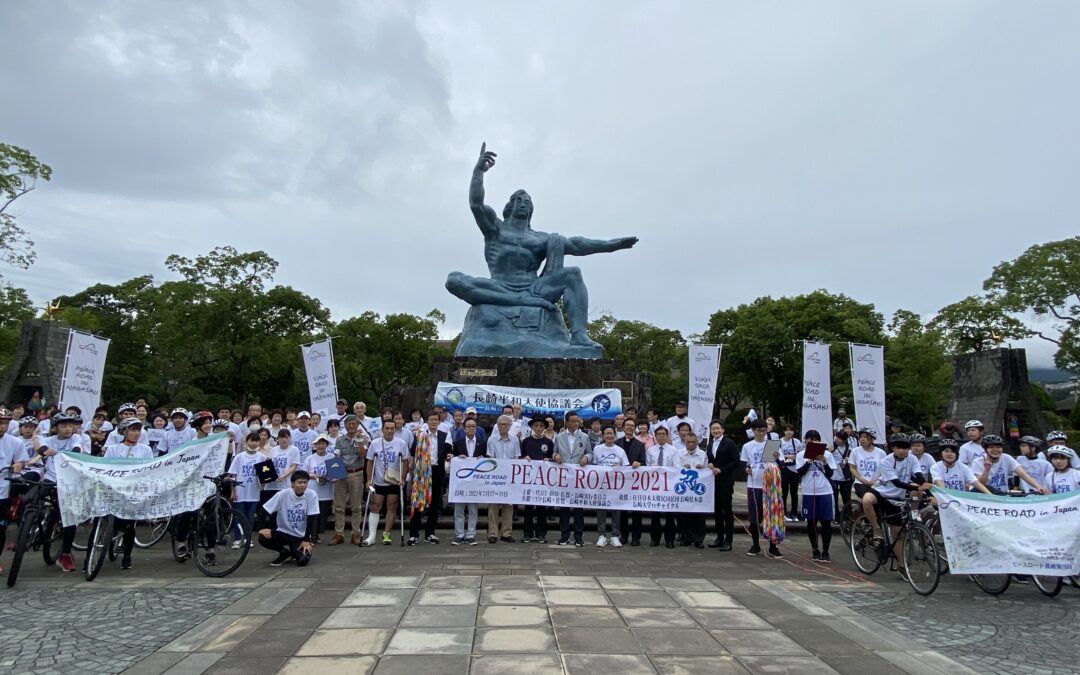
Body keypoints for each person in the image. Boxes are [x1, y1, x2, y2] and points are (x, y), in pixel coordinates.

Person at [861, 434, 931, 572]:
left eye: (906, 448)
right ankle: (876, 528)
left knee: (898, 534)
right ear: (893, 448)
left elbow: (918, 475)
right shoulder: (885, 461)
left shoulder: (912, 458)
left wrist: (926, 488)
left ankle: (901, 564)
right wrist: (918, 487)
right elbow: (896, 483)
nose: (903, 451)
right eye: (899, 448)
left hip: (896, 499)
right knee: (867, 499)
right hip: (882, 493)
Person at [30, 413, 85, 572]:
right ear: (56, 428)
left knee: (69, 518)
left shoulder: (75, 438)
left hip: (69, 480)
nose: (68, 429)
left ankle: (65, 554)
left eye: (70, 425)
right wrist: (41, 449)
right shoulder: (50, 439)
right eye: (63, 426)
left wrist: (69, 453)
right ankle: (30, 526)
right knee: (30, 498)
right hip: (51, 478)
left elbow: (77, 449)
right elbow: (39, 444)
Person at [103, 418, 154, 569]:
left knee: (129, 525)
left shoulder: (145, 449)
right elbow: (105, 467)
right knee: (110, 520)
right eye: (133, 430)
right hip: (115, 488)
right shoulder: (113, 449)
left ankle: (127, 555)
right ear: (124, 432)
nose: (136, 433)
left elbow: (149, 469)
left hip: (133, 490)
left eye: (138, 430)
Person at [364, 419, 411, 546]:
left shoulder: (401, 443)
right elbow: (370, 462)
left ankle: (386, 533)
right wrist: (369, 479)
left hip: (394, 481)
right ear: (382, 429)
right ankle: (372, 535)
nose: (389, 431)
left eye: (392, 428)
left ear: (395, 429)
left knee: (392, 505)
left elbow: (405, 462)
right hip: (379, 480)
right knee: (375, 505)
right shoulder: (375, 443)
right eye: (387, 428)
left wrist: (403, 477)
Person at [408, 410, 452, 545]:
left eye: (436, 420)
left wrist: (450, 455)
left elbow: (448, 452)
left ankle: (430, 533)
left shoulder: (445, 435)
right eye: (431, 419)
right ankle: (414, 534)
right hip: (422, 471)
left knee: (434, 503)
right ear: (427, 421)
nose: (433, 422)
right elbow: (412, 452)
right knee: (418, 502)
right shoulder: (420, 435)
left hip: (437, 471)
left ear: (439, 422)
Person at [740, 419, 782, 558]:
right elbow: (744, 463)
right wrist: (746, 469)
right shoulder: (748, 446)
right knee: (754, 515)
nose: (762, 433)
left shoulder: (771, 444)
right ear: (753, 431)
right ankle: (755, 544)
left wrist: (777, 458)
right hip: (754, 484)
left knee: (771, 515)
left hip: (770, 485)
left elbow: (780, 464)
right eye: (759, 431)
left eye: (764, 431)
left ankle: (773, 546)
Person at [258, 470, 319, 566]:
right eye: (299, 482)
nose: (302, 485)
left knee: (303, 560)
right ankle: (283, 552)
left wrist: (306, 540)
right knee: (262, 538)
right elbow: (264, 509)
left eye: (305, 482)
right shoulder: (282, 494)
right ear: (292, 483)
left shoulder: (312, 495)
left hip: (300, 536)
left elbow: (312, 518)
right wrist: (262, 528)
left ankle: (293, 552)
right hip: (283, 532)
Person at [794, 430, 837, 562]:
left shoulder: (828, 454)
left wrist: (824, 461)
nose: (812, 442)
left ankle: (825, 551)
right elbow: (799, 472)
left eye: (815, 440)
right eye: (809, 439)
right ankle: (815, 549)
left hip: (824, 492)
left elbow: (830, 474)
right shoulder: (801, 455)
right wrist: (808, 461)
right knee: (811, 522)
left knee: (826, 522)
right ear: (805, 441)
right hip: (808, 492)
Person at [553, 411, 592, 546]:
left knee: (578, 509)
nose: (576, 423)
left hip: (578, 476)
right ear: (567, 422)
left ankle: (578, 536)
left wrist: (586, 458)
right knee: (564, 508)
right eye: (574, 421)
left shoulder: (585, 437)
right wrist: (555, 456)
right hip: (564, 476)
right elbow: (554, 451)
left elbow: (590, 453)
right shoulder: (559, 437)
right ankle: (564, 535)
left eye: (578, 421)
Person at [331, 415, 369, 546]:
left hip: (356, 473)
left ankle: (355, 533)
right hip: (341, 473)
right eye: (349, 424)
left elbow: (363, 454)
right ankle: (339, 533)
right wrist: (334, 474)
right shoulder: (340, 439)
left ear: (358, 425)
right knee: (339, 505)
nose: (351, 426)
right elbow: (336, 456)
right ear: (345, 425)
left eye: (354, 424)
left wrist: (358, 440)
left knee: (356, 506)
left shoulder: (364, 438)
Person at [227, 432, 269, 547]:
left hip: (254, 491)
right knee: (239, 516)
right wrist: (233, 491)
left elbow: (265, 476)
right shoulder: (239, 457)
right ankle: (237, 538)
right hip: (240, 491)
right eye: (252, 440)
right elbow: (233, 475)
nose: (254, 443)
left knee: (250, 516)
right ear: (246, 442)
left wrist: (263, 483)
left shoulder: (262, 457)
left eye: (256, 441)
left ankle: (247, 538)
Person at [971, 435, 1048, 495]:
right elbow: (980, 485)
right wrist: (987, 470)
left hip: (1003, 495)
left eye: (998, 447)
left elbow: (1023, 474)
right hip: (985, 495)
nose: (995, 450)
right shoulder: (977, 462)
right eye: (991, 447)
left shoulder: (1006, 458)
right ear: (985, 449)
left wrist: (1038, 487)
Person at [703, 420, 739, 550]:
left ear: (723, 429)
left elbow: (735, 461)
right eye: (713, 429)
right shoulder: (710, 443)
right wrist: (710, 464)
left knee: (726, 511)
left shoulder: (729, 443)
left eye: (718, 428)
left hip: (725, 482)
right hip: (713, 482)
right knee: (717, 511)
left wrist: (722, 469)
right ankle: (719, 538)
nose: (716, 431)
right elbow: (711, 459)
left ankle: (728, 540)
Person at [450, 418, 486, 545]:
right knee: (459, 509)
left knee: (473, 509)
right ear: (464, 428)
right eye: (469, 426)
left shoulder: (482, 443)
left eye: (473, 426)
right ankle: (459, 534)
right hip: (461, 481)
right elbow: (451, 460)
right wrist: (457, 458)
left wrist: (482, 459)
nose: (471, 428)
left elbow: (486, 461)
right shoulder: (458, 443)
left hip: (475, 482)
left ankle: (471, 534)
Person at [591, 426, 628, 547]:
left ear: (615, 435)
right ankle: (601, 535)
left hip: (616, 486)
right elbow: (594, 466)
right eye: (606, 433)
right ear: (603, 436)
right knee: (601, 511)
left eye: (611, 433)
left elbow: (626, 467)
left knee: (616, 511)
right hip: (601, 486)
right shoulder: (597, 449)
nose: (609, 436)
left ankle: (615, 535)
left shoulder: (620, 450)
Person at [486, 414, 520, 544]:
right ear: (497, 426)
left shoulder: (515, 440)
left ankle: (506, 532)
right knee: (493, 506)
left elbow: (517, 458)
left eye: (506, 424)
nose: (503, 427)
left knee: (508, 506)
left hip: (510, 477)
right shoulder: (492, 440)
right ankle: (493, 533)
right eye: (501, 424)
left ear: (510, 426)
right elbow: (490, 459)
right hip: (496, 477)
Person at [673, 431, 708, 548]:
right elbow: (674, 468)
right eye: (689, 442)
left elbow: (708, 469)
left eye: (693, 442)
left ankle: (699, 539)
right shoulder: (679, 454)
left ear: (697, 442)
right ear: (685, 442)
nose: (691, 444)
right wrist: (682, 467)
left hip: (698, 488)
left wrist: (703, 468)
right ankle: (686, 537)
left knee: (699, 515)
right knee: (684, 515)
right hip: (683, 489)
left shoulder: (702, 454)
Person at [616, 417, 647, 546]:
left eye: (632, 425)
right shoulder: (616, 443)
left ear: (635, 428)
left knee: (636, 511)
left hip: (635, 482)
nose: (629, 427)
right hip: (620, 482)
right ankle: (623, 535)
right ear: (623, 428)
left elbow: (645, 463)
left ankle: (636, 537)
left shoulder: (640, 445)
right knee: (622, 510)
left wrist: (639, 463)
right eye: (627, 425)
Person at [647, 426, 677, 548]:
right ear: (655, 435)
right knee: (655, 514)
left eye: (663, 434)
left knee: (670, 515)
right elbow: (647, 467)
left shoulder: (673, 450)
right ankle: (655, 539)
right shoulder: (650, 450)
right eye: (659, 434)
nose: (661, 436)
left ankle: (670, 540)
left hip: (668, 485)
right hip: (654, 485)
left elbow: (676, 467)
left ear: (667, 435)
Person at [302, 435, 335, 541]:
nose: (321, 446)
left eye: (323, 443)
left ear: (326, 445)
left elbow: (336, 474)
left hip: (327, 490)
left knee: (324, 513)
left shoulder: (332, 457)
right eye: (318, 444)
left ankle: (319, 531)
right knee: (313, 513)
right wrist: (313, 476)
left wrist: (330, 477)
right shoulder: (310, 458)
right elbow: (304, 473)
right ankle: (313, 534)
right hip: (313, 489)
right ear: (315, 446)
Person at [848, 428, 887, 501]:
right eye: (860, 437)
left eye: (865, 437)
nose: (862, 439)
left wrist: (876, 480)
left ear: (872, 439)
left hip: (877, 483)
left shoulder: (881, 453)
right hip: (860, 483)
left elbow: (884, 469)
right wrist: (862, 480)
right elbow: (852, 468)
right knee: (868, 497)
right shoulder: (855, 451)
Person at [265, 429, 301, 505]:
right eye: (281, 437)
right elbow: (268, 465)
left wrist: (283, 476)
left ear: (290, 438)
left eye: (286, 437)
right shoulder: (273, 449)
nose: (284, 439)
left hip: (285, 483)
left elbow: (294, 466)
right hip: (272, 484)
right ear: (278, 439)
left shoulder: (294, 449)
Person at [779, 424, 803, 522]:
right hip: (784, 469)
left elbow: (801, 454)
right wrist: (789, 457)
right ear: (783, 431)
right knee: (783, 492)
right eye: (787, 430)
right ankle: (783, 512)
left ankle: (794, 513)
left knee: (794, 492)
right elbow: (777, 455)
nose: (789, 432)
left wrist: (793, 457)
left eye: (791, 430)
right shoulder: (779, 442)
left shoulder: (796, 442)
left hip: (794, 469)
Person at [830, 431, 854, 518]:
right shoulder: (831, 448)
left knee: (846, 498)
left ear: (844, 440)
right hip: (833, 476)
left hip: (845, 477)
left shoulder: (850, 450)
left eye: (840, 438)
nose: (837, 440)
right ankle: (835, 516)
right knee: (834, 498)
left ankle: (848, 517)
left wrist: (849, 460)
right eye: (836, 437)